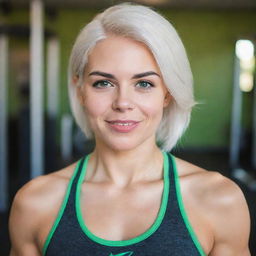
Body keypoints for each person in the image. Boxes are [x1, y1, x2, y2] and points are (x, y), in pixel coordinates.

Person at [9, 3, 251, 256]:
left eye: (144, 83)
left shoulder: (219, 200)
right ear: (80, 90)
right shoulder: (35, 203)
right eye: (103, 83)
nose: (123, 102)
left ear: (167, 94)